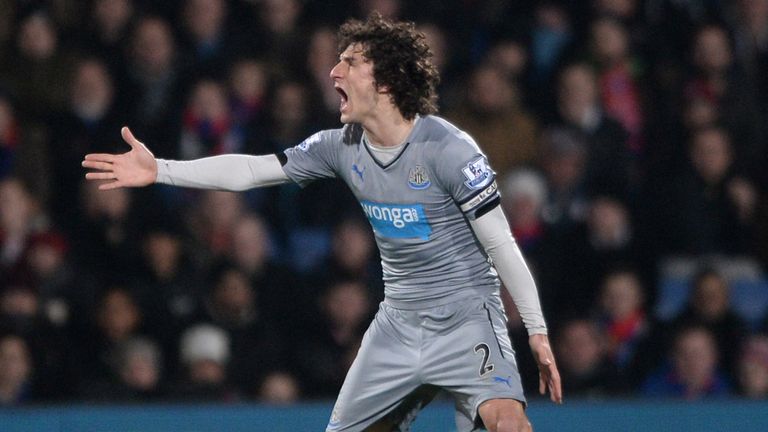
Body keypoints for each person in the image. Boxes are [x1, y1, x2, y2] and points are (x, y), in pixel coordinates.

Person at [82, 13, 561, 432]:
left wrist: (536, 332)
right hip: (396, 326)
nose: (334, 71)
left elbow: (501, 245)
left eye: (350, 62)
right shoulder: (340, 145)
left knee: (508, 425)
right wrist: (160, 169)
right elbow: (253, 169)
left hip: (466, 323)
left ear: (387, 81)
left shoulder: (451, 151)